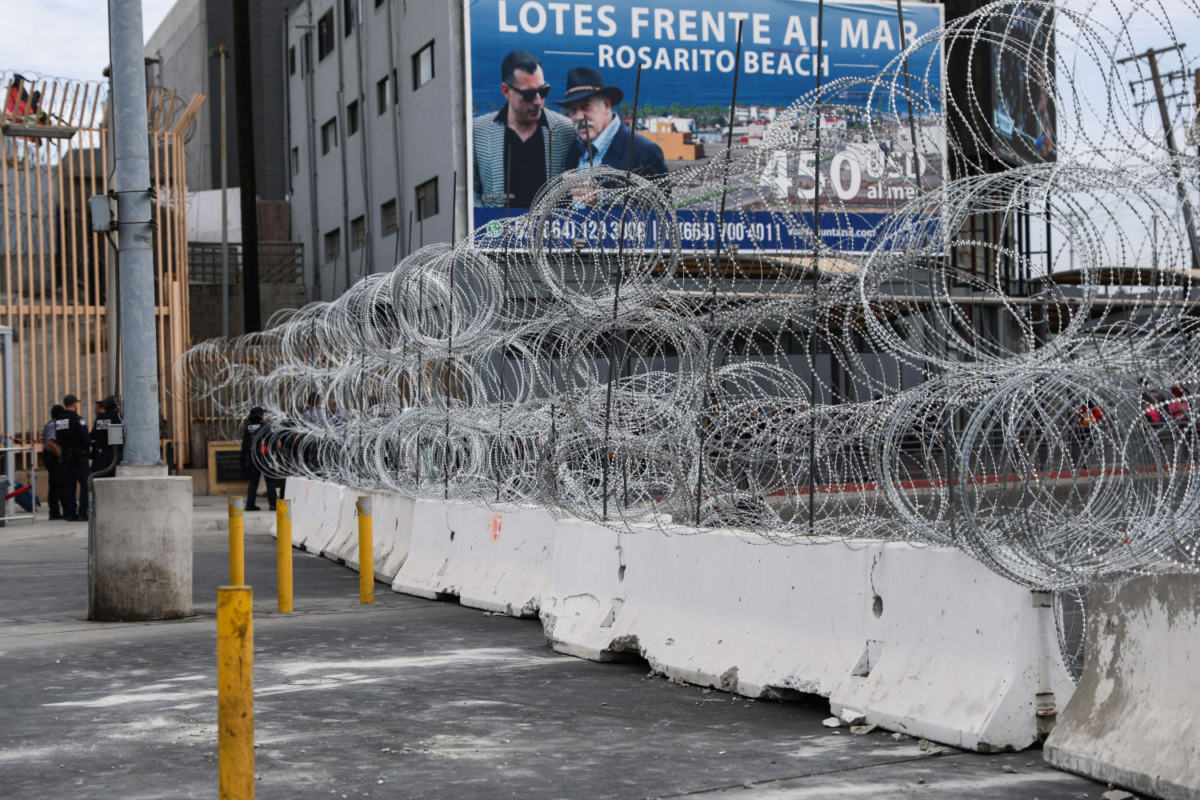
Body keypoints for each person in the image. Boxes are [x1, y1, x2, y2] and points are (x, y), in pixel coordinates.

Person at [472, 50, 575, 208]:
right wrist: (488, 220)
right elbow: (469, 191)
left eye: (543, 91)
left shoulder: (566, 130)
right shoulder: (478, 130)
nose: (538, 101)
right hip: (501, 230)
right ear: (506, 91)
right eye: (528, 95)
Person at [556, 66, 667, 179]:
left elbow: (659, 196)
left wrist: (599, 196)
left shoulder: (644, 152)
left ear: (607, 105)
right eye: (572, 110)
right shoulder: (573, 148)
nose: (579, 117)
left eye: (585, 107)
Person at [55, 394, 91, 521]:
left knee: (69, 486)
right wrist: (88, 448)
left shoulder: (59, 420)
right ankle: (83, 513)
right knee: (86, 484)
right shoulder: (77, 419)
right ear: (74, 404)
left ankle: (70, 513)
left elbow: (58, 439)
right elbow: (85, 438)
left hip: (65, 456)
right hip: (78, 456)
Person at [241, 406, 277, 512]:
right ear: (260, 415)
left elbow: (244, 445)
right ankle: (273, 504)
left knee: (253, 482)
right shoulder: (266, 426)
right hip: (265, 456)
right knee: (270, 480)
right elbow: (273, 441)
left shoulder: (248, 427)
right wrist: (276, 453)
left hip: (252, 457)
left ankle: (250, 504)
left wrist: (242, 459)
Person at [42, 405, 65, 520]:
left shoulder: (53, 424)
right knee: (56, 485)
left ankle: (57, 511)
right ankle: (54, 512)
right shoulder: (54, 425)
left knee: (58, 484)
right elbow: (51, 443)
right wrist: (60, 455)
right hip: (53, 458)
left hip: (53, 457)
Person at [91, 395, 122, 474]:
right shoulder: (116, 417)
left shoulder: (99, 418)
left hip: (101, 455)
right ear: (117, 406)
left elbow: (93, 435)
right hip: (114, 454)